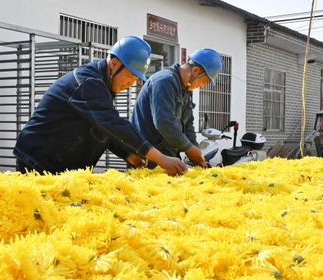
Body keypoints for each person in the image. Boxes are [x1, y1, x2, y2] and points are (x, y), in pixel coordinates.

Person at [13, 36, 188, 176]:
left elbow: (103, 130)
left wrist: (128, 154)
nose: (131, 84)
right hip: (38, 161)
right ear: (114, 64)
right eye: (131, 77)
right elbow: (113, 124)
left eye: (136, 80)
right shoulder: (88, 83)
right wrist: (161, 158)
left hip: (59, 164)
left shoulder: (102, 86)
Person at [131, 48, 223, 168]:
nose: (201, 86)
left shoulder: (186, 89)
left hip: (170, 157)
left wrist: (195, 152)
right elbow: (164, 122)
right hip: (147, 159)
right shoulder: (164, 82)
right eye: (204, 82)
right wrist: (188, 148)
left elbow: (188, 124)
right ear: (195, 71)